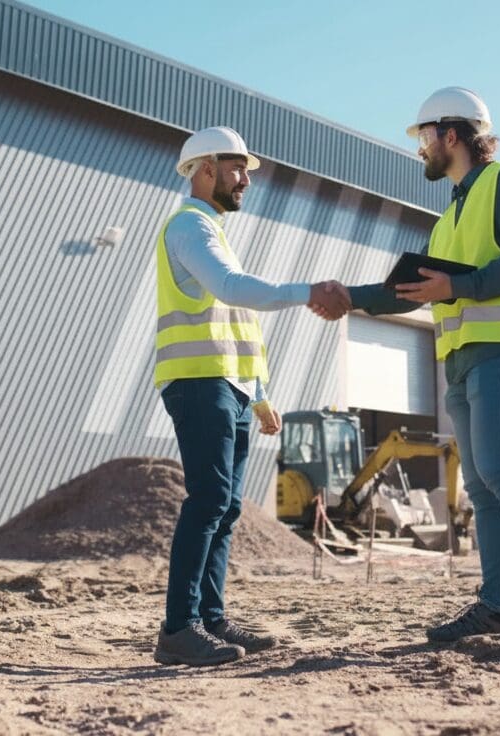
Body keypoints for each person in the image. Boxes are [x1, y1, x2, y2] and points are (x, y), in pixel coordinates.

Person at [324, 88, 500, 650]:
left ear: (451, 134)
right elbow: (414, 289)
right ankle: (497, 606)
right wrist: (351, 297)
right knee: (483, 485)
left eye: (424, 137)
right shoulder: (450, 216)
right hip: (465, 358)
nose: (420, 149)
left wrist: (459, 285)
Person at [153, 126, 349, 666]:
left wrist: (258, 396)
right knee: (209, 501)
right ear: (205, 169)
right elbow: (235, 290)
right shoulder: (189, 226)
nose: (245, 179)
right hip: (199, 381)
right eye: (237, 168)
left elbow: (237, 323)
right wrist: (307, 292)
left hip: (230, 386)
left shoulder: (213, 231)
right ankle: (179, 628)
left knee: (228, 506)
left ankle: (211, 619)